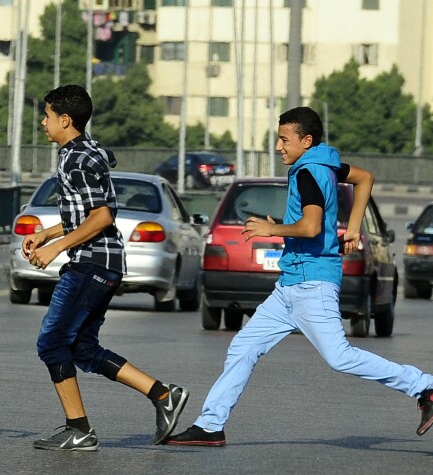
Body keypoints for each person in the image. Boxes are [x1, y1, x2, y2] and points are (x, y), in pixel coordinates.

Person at [165, 107, 433, 447]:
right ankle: (210, 425)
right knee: (244, 346)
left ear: (306, 141)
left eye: (284, 140)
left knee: (340, 357)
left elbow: (311, 226)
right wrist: (352, 230)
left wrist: (271, 228)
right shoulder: (327, 163)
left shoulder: (308, 173)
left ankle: (424, 385)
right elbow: (366, 178)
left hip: (312, 283)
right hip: (290, 286)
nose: (278, 147)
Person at [22, 84, 189, 452]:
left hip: (91, 263)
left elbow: (101, 216)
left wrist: (55, 250)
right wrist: (47, 233)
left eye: (47, 115)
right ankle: (163, 395)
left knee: (52, 344)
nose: (42, 121)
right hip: (104, 262)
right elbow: (85, 213)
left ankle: (78, 429)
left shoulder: (75, 159)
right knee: (82, 349)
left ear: (65, 120)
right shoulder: (86, 151)